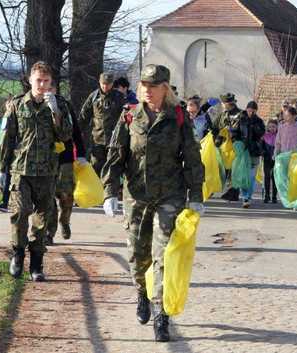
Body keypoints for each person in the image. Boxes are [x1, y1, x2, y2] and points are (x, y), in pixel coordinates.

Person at [102, 64, 204, 342]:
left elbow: (192, 158)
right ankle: (141, 293)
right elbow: (115, 156)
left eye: (153, 85)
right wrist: (110, 192)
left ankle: (162, 315)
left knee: (164, 257)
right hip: (136, 196)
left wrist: (196, 195)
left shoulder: (179, 117)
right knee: (138, 254)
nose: (147, 90)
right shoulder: (129, 117)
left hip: (169, 195)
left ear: (165, 88)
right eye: (144, 85)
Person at [0, 61, 73, 281]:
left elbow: (66, 136)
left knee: (42, 219)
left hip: (47, 171)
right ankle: (18, 254)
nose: (42, 85)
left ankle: (37, 263)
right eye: (38, 80)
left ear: (52, 83)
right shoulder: (17, 105)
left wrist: (55, 112)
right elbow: (7, 138)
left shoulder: (59, 105)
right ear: (30, 80)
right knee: (20, 213)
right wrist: (1, 168)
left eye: (46, 81)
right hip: (21, 170)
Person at [45, 88, 87, 245]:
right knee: (48, 198)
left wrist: (81, 153)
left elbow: (75, 130)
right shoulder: (37, 105)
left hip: (65, 159)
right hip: (45, 160)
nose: (47, 91)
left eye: (50, 87)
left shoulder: (64, 105)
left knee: (66, 197)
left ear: (55, 88)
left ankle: (65, 221)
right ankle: (49, 232)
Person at [79, 72, 126, 176]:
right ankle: (96, 191)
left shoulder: (119, 97)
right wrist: (78, 133)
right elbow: (84, 116)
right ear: (99, 83)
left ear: (112, 83)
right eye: (103, 83)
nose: (105, 86)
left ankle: (111, 191)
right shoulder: (94, 97)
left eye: (108, 84)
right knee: (95, 168)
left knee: (112, 169)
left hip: (114, 140)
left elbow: (125, 116)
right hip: (97, 140)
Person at [212, 93, 244, 202]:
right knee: (224, 169)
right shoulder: (223, 115)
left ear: (227, 103)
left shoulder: (241, 114)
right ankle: (229, 191)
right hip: (224, 147)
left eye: (223, 103)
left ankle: (233, 192)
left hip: (236, 145)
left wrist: (232, 132)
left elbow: (244, 130)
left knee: (234, 169)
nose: (221, 105)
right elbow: (214, 127)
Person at [240, 100, 266, 208]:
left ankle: (247, 197)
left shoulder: (259, 121)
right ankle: (244, 195)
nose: (250, 112)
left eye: (253, 111)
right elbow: (236, 132)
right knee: (243, 176)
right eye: (249, 110)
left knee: (251, 176)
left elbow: (261, 133)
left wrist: (254, 125)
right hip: (243, 151)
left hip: (254, 151)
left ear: (256, 111)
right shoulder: (241, 120)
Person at [262, 119, 278, 203]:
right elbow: (262, 147)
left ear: (277, 127)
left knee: (275, 177)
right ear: (267, 127)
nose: (272, 128)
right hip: (267, 159)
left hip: (276, 159)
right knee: (267, 177)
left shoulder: (279, 136)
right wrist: (263, 153)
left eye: (274, 127)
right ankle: (267, 195)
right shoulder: (265, 136)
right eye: (270, 126)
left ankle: (274, 196)